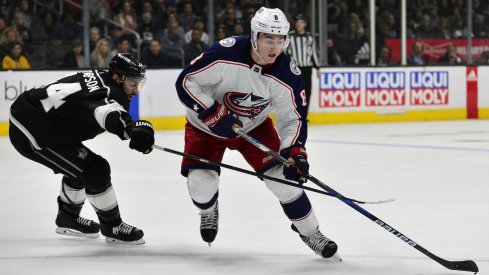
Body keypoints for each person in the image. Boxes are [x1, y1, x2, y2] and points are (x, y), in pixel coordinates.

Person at [175, 7, 339, 259]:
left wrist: (295, 150)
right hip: (204, 127)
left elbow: (292, 118)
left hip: (254, 127)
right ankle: (208, 209)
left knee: (285, 183)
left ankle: (311, 233)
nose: (275, 46)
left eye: (280, 39)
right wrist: (212, 112)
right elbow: (186, 81)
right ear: (254, 36)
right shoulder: (224, 52)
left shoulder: (289, 74)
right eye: (268, 39)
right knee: (200, 186)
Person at [9, 53, 154, 244]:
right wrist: (130, 129)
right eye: (133, 83)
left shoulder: (101, 75)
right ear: (117, 77)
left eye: (139, 83)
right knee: (95, 169)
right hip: (33, 132)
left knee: (78, 167)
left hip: (34, 117)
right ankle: (112, 226)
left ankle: (68, 219)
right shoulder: (111, 92)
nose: (136, 90)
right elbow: (106, 111)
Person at [286, 14, 320, 117]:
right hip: (295, 69)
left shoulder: (310, 37)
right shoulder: (290, 36)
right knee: (295, 91)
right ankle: (296, 113)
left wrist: (317, 68)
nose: (299, 24)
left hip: (307, 68)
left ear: (304, 24)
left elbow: (314, 53)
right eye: (297, 22)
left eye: (301, 22)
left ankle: (304, 114)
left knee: (307, 91)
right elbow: (285, 53)